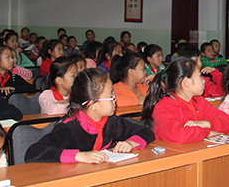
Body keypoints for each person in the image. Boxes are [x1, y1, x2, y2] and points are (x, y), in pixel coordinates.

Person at [25, 69, 154, 164]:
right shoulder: (70, 127)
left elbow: (146, 131)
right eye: (111, 96)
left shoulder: (110, 121)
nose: (115, 99)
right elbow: (34, 152)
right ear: (92, 105)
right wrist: (79, 156)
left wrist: (131, 143)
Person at [141, 57, 229, 144]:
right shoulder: (163, 107)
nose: (203, 81)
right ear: (186, 82)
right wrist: (206, 132)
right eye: (199, 76)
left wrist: (206, 124)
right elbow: (179, 136)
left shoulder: (198, 101)